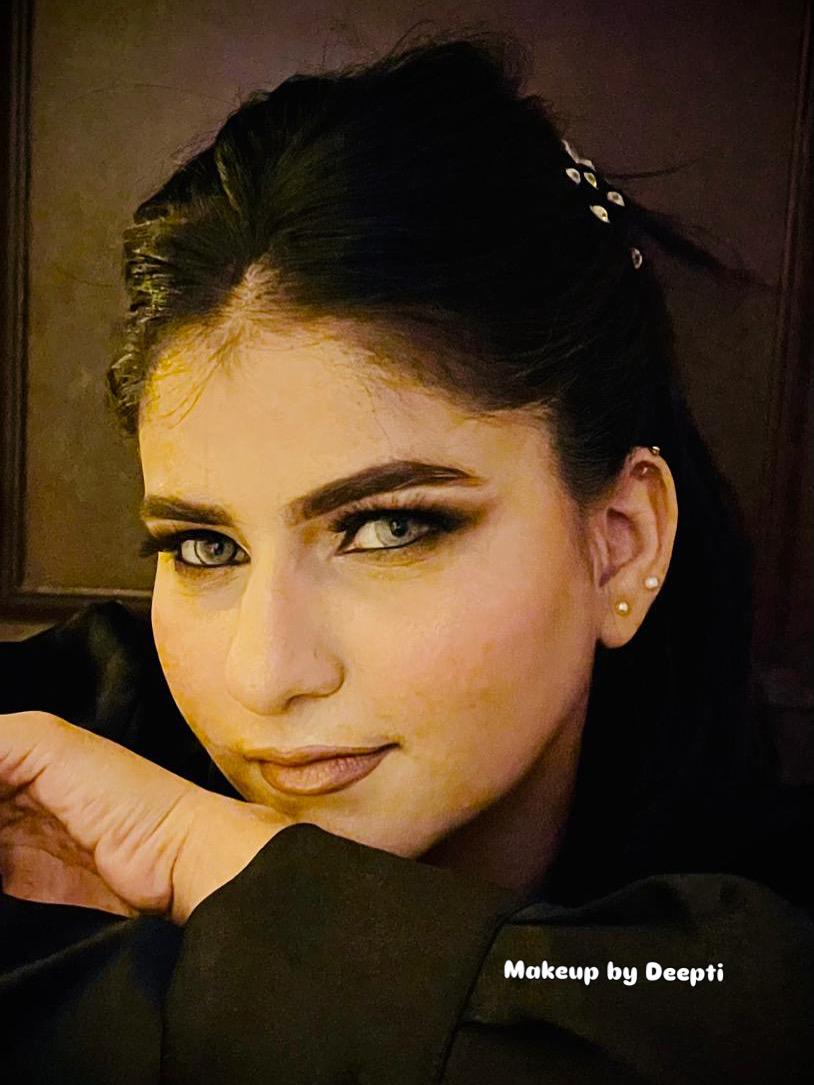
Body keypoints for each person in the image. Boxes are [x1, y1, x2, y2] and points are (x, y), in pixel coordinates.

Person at [1, 30, 813, 1083]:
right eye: (205, 545)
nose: (265, 672)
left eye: (389, 527)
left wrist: (214, 861)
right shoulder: (59, 754)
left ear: (619, 545)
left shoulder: (746, 922)